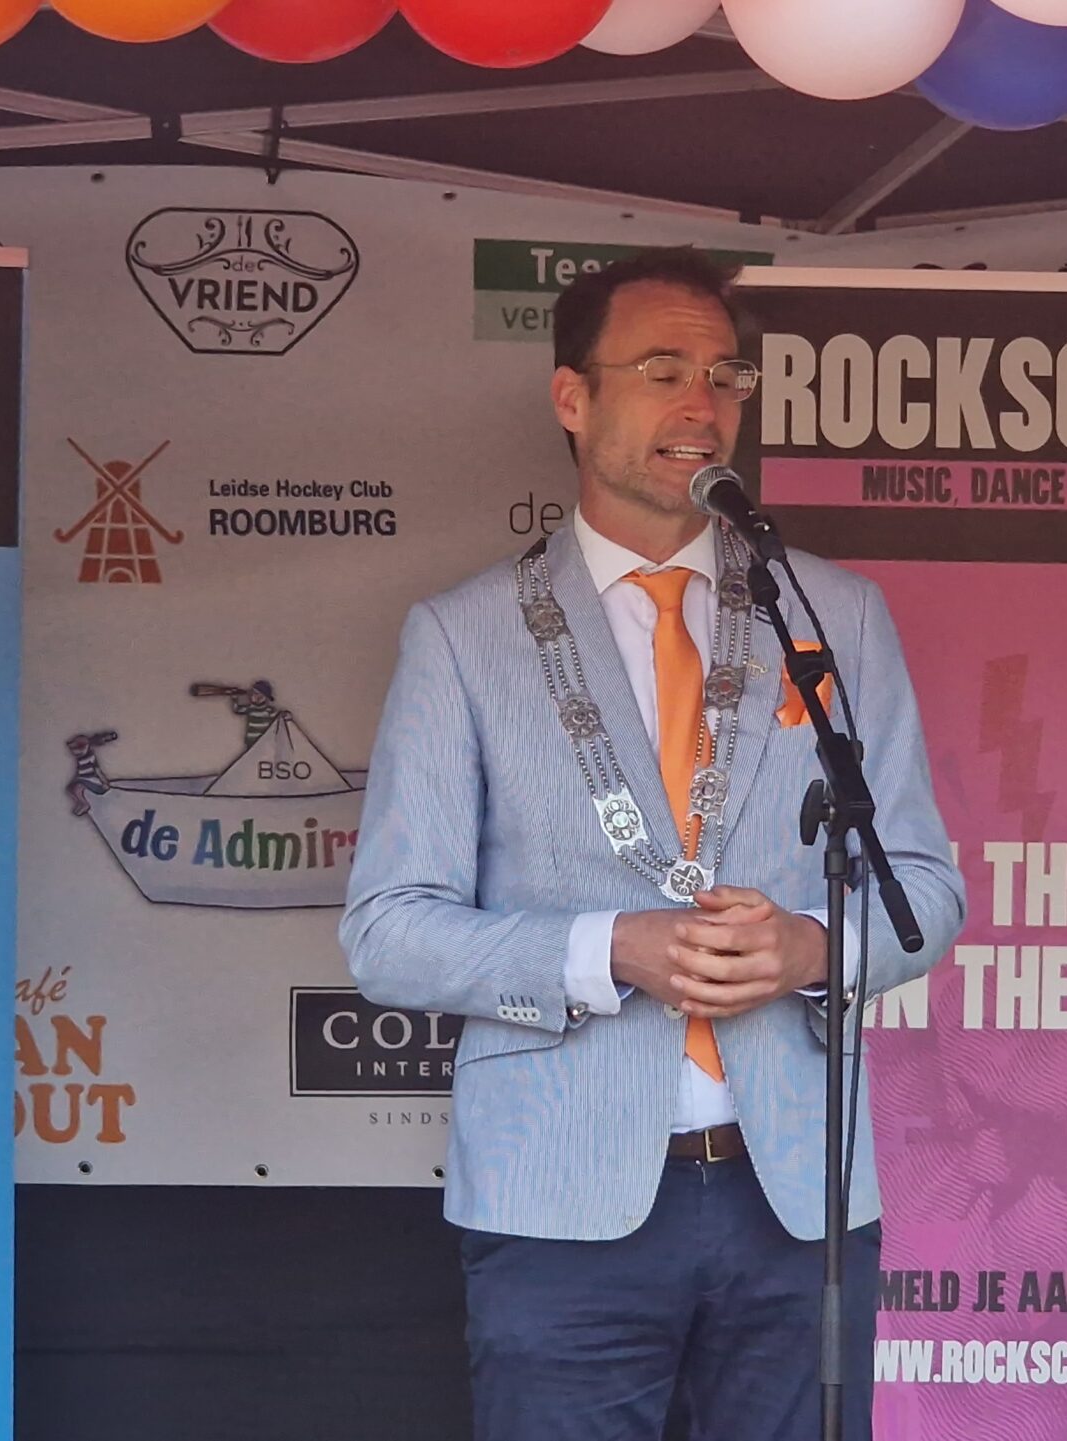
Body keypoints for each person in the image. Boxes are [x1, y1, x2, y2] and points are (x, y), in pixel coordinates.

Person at [340, 247, 967, 1441]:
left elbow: (923, 891)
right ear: (572, 399)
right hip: (556, 1196)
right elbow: (389, 932)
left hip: (796, 1197)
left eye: (725, 376)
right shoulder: (463, 635)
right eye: (663, 371)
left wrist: (807, 948)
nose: (702, 404)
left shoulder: (830, 614)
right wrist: (606, 948)